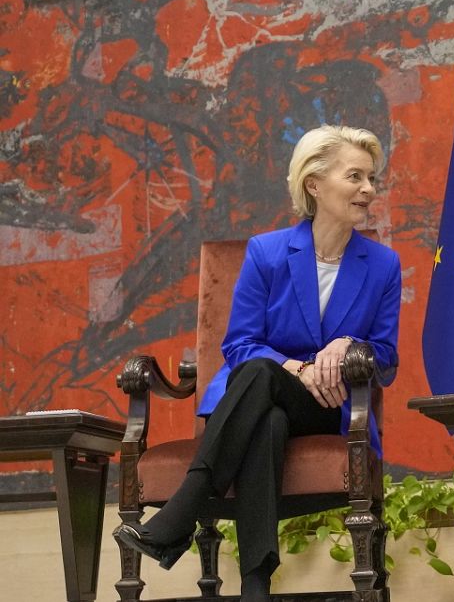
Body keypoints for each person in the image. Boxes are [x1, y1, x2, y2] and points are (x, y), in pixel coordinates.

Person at [114, 125, 401, 602]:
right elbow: (240, 344)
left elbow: (386, 357)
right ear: (314, 183)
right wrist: (299, 369)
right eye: (355, 176)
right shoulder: (267, 252)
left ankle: (181, 513)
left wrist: (348, 344)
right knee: (267, 414)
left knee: (260, 379)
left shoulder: (383, 264)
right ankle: (255, 585)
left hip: (329, 407)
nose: (368, 189)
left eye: (371, 178)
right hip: (262, 395)